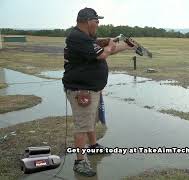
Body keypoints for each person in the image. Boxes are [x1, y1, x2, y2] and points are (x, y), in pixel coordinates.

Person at [62, 7, 132, 177]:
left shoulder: (87, 38)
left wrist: (126, 45)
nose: (98, 24)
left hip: (91, 88)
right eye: (96, 21)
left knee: (91, 120)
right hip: (81, 90)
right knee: (82, 126)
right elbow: (102, 54)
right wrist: (110, 45)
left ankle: (93, 147)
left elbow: (107, 50)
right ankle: (80, 162)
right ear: (87, 21)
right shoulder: (78, 37)